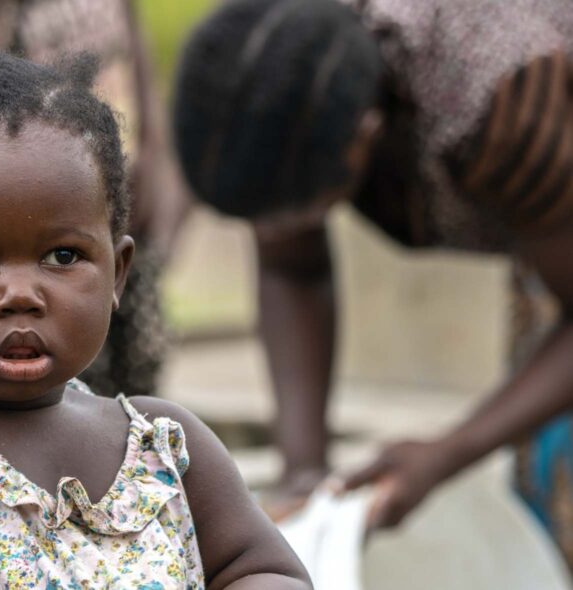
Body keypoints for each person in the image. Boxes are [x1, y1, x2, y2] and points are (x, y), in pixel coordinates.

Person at [0, 48, 310, 589]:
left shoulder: (163, 446)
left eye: (62, 256)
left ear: (118, 273)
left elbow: (265, 571)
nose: (21, 295)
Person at [172, 0, 573, 566]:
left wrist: (449, 453)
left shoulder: (501, 101)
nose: (271, 237)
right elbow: (293, 266)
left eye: (292, 215)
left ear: (366, 136)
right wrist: (303, 472)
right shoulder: (281, 68)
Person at [0, 0, 193, 398]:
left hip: (126, 201)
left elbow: (136, 60)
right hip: (33, 222)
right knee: (57, 379)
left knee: (140, 365)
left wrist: (156, 159)